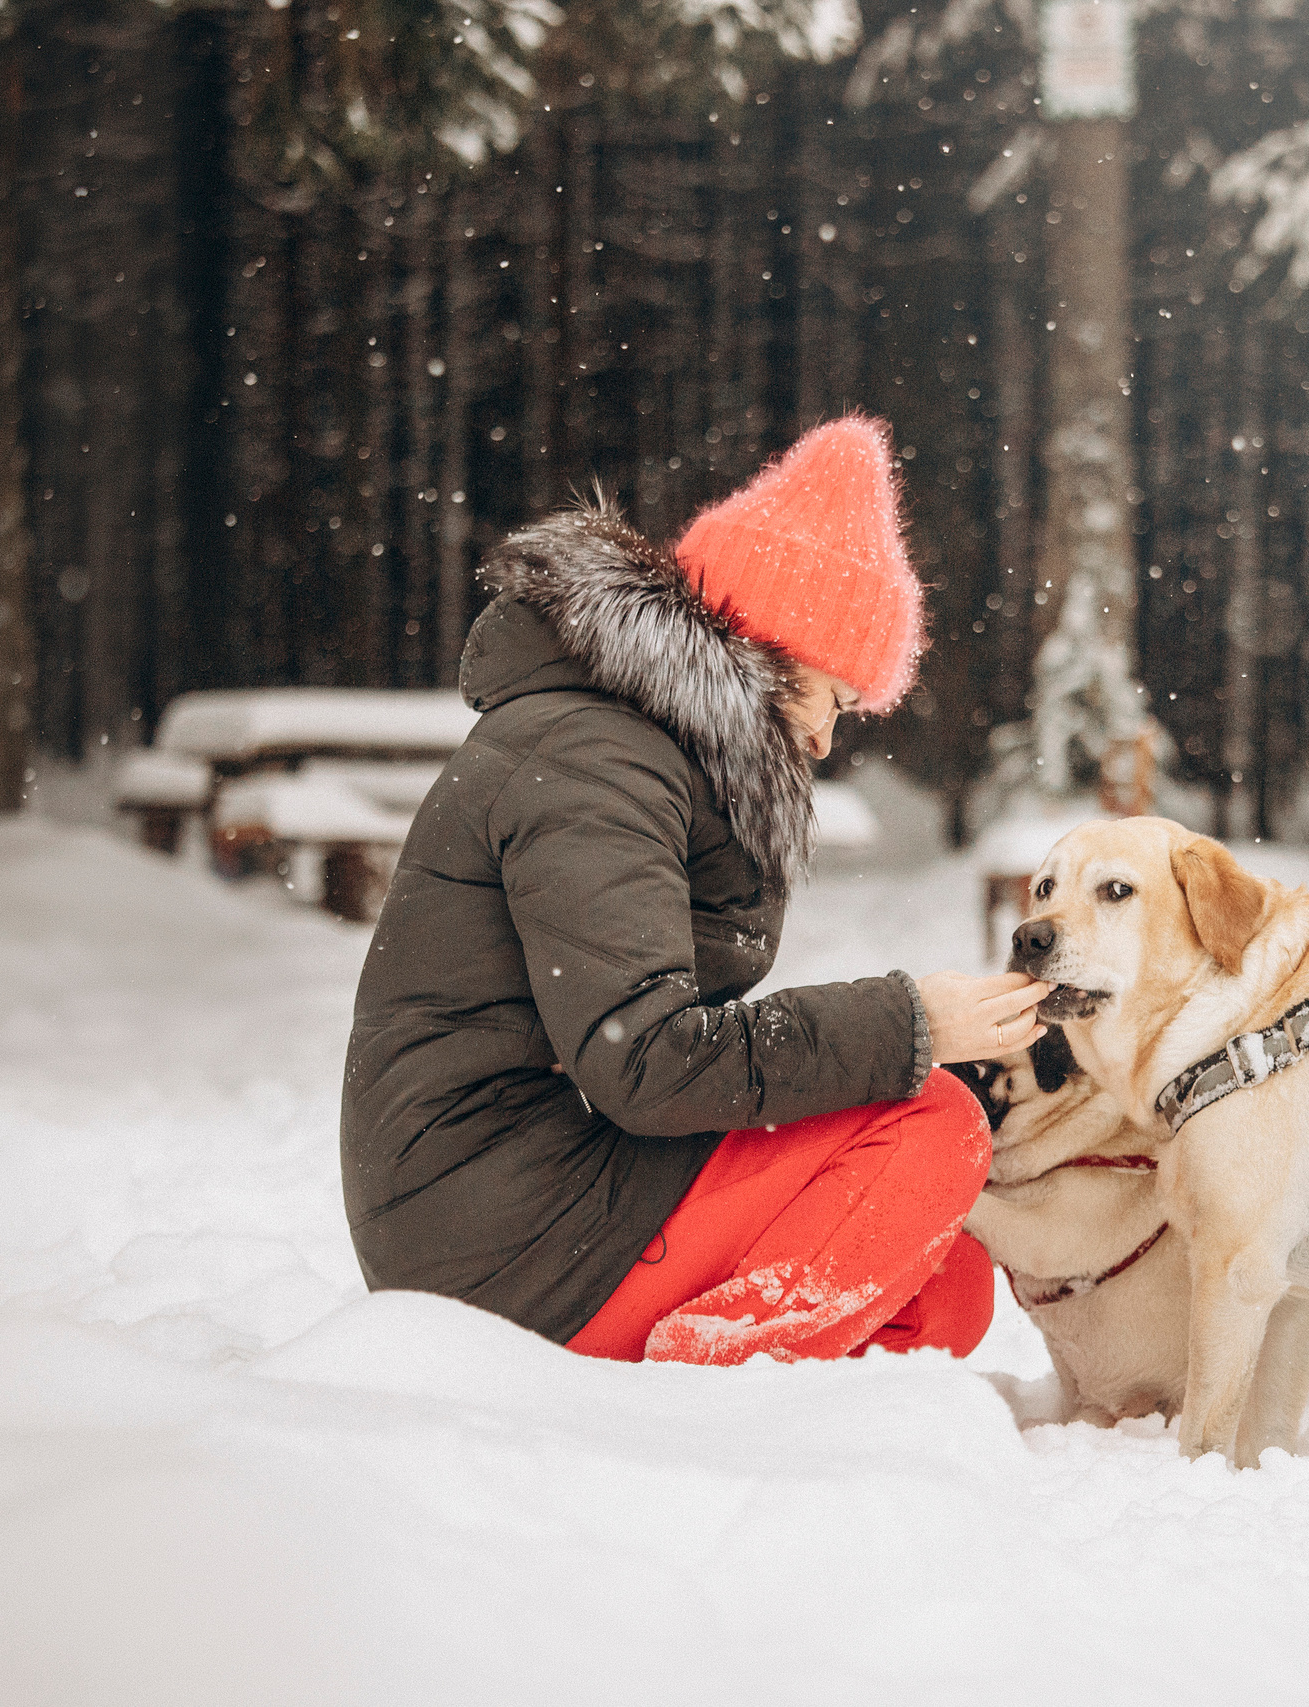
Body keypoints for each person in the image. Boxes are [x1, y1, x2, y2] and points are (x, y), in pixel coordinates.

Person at [340, 416, 1049, 1364]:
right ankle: (692, 1408)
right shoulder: (595, 757)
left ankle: (760, 1392)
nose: (825, 741)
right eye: (833, 698)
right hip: (496, 1240)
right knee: (932, 1128)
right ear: (771, 648)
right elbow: (648, 1060)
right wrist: (908, 1024)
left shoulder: (638, 746)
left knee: (944, 1290)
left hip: (549, 1191)